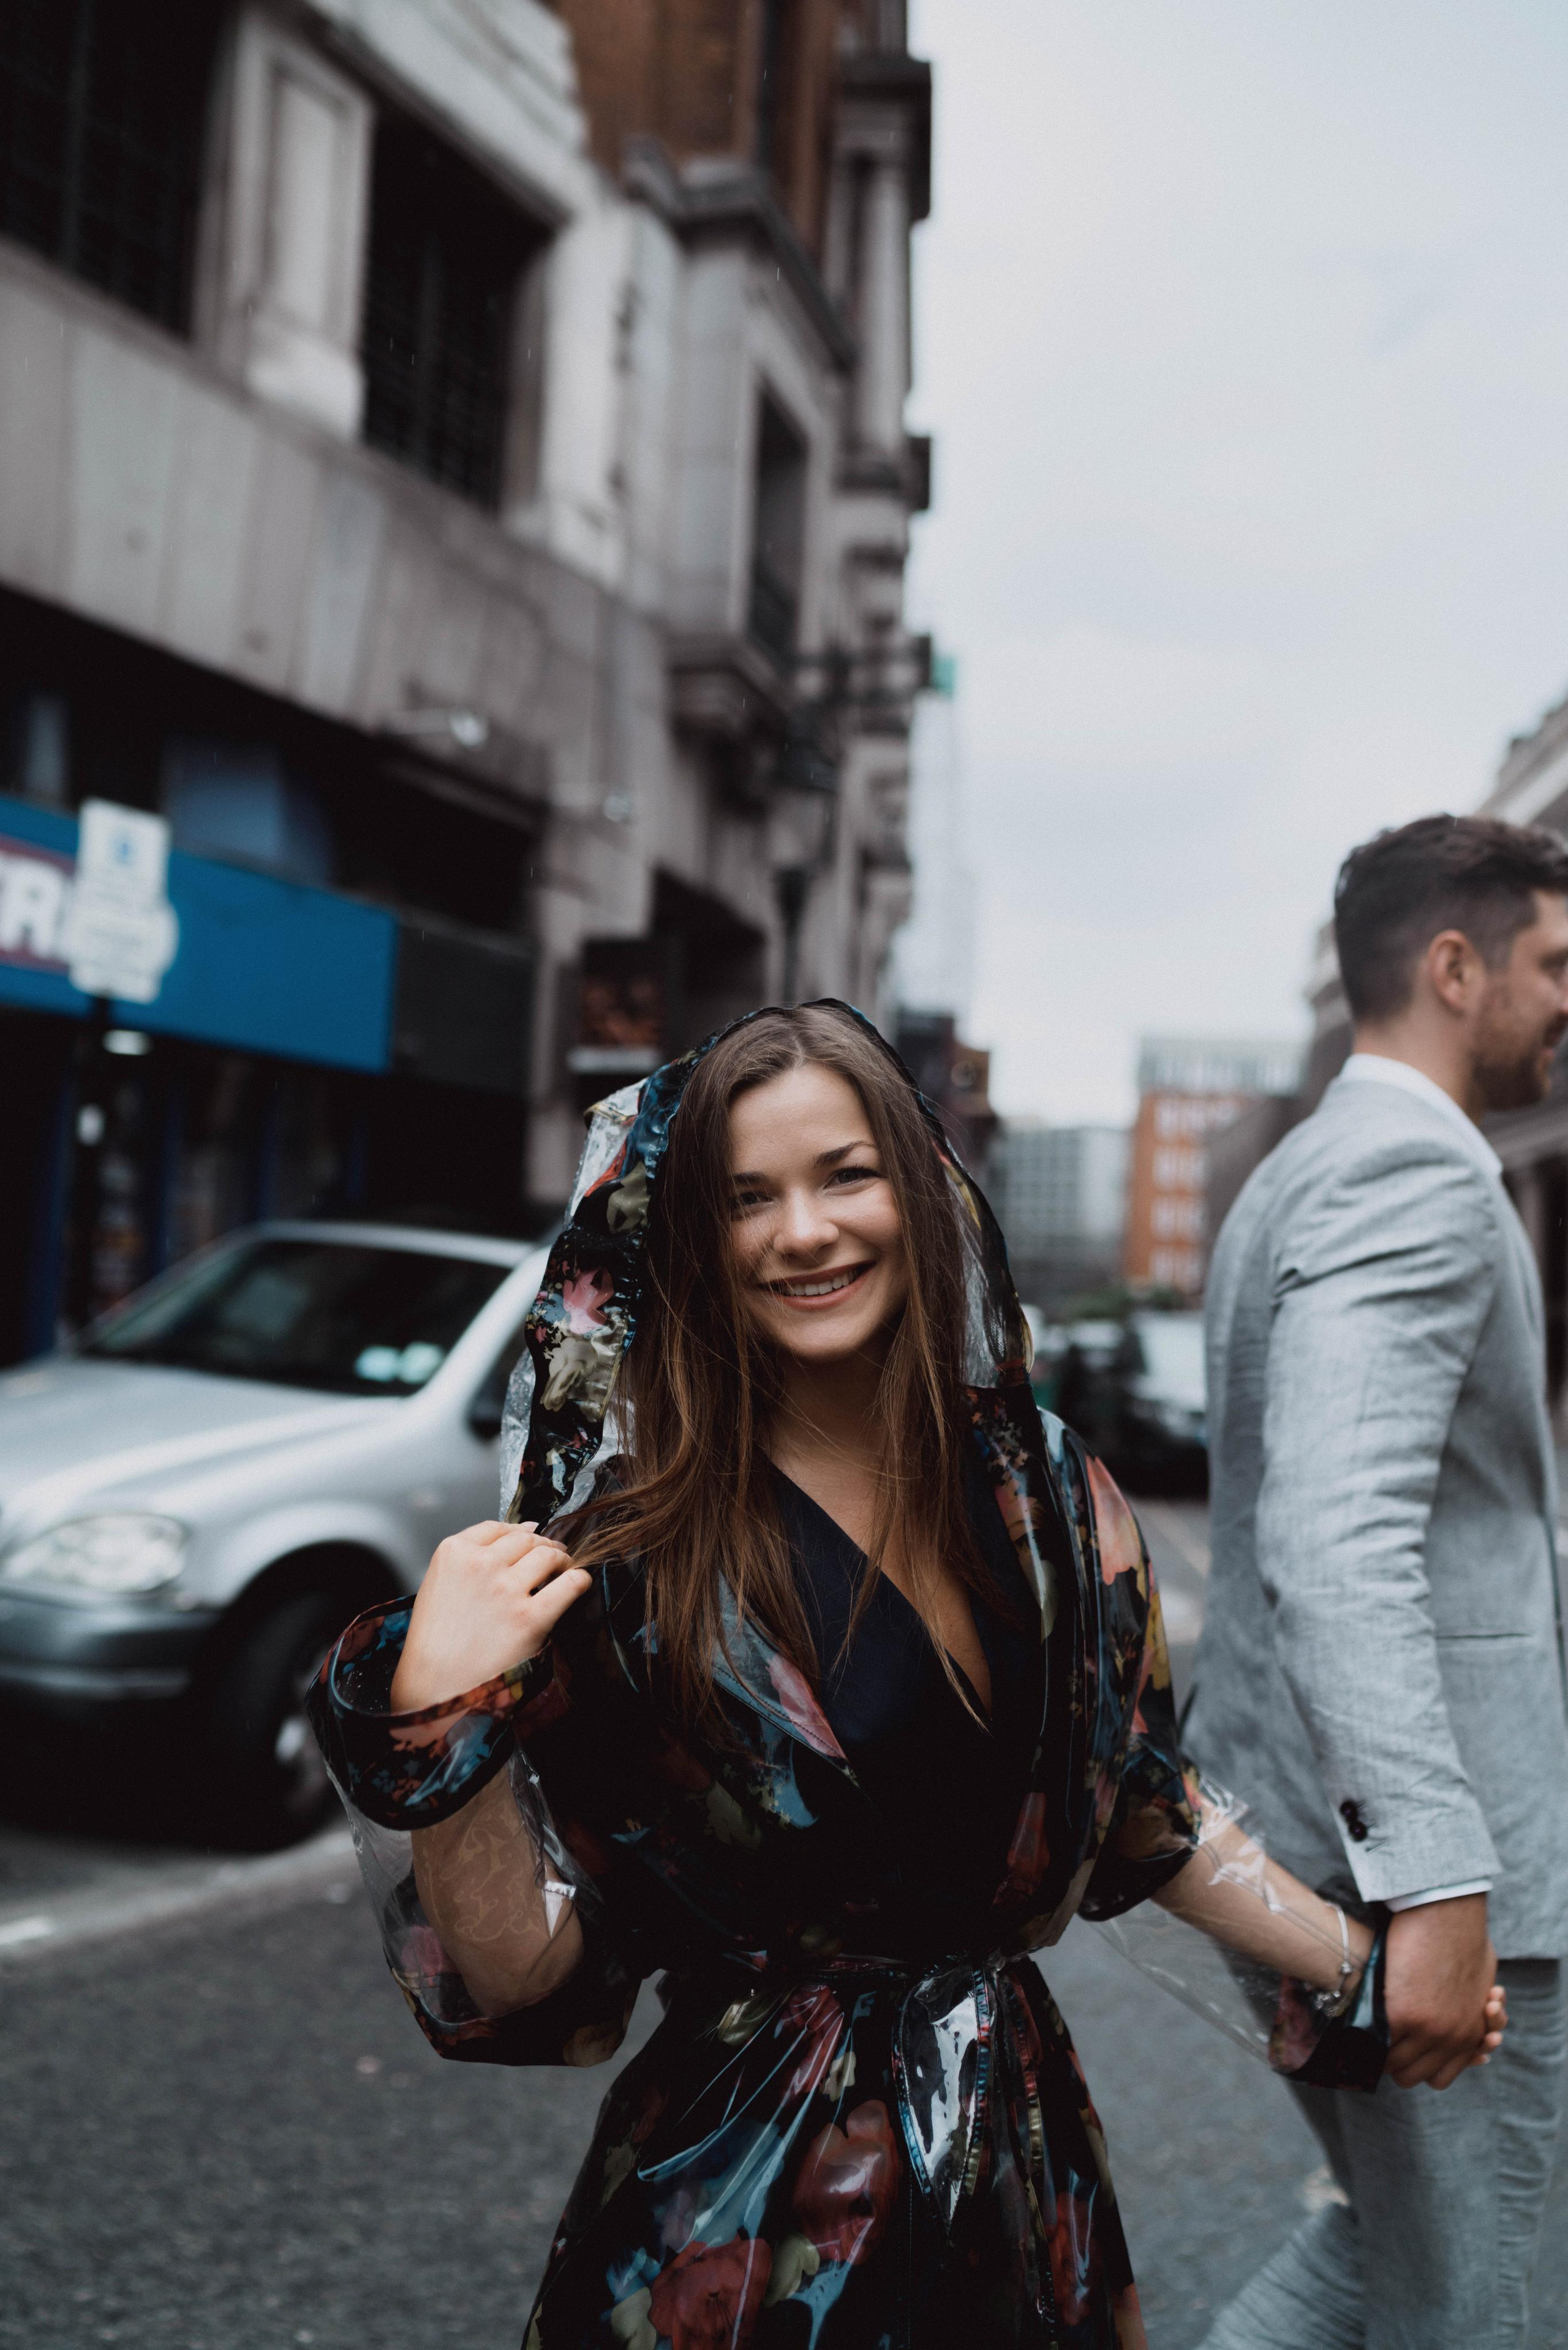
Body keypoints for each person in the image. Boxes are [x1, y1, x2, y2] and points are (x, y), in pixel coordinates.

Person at [309, 1003, 1498, 2350]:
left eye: (844, 1173)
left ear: (923, 1194)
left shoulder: (1047, 1496)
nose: (802, 1230)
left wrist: (1362, 1963)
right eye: (746, 1196)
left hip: (1012, 2173)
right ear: (692, 1238)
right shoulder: (626, 1559)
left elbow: (1133, 1811)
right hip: (736, 2226)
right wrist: (443, 1726)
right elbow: (527, 1976)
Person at [1188, 814, 1568, 2350]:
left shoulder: (1304, 1167)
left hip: (1309, 1834)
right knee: (1488, 2301)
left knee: (1407, 2256)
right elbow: (1338, 1537)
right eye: (1553, 964)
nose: (1565, 1001)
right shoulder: (1410, 1171)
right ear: (1453, 964)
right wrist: (1437, 1882)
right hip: (1415, 1877)